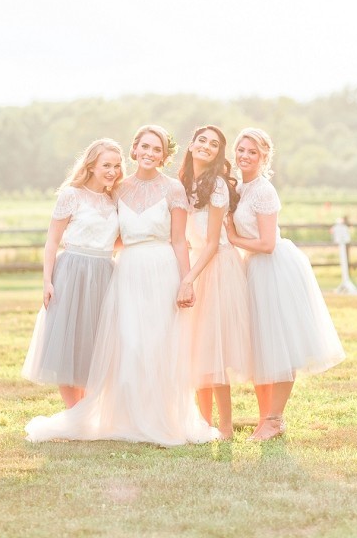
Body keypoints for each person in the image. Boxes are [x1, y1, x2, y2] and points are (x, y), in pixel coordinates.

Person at [25, 125, 218, 446]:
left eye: (156, 149)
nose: (149, 153)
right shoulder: (117, 189)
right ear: (134, 149)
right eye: (145, 146)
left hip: (162, 269)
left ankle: (162, 417)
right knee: (128, 344)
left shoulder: (172, 190)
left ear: (165, 155)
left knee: (159, 344)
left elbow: (180, 242)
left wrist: (187, 281)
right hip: (127, 272)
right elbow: (107, 232)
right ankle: (127, 418)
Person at [226, 127, 346, 441]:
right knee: (261, 346)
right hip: (252, 270)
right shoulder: (239, 186)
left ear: (264, 157)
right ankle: (265, 419)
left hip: (274, 268)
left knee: (279, 345)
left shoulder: (265, 191)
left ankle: (275, 419)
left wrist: (231, 238)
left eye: (253, 152)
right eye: (241, 150)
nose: (245, 156)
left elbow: (266, 243)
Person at [22, 138, 124, 407]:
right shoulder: (71, 195)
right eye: (106, 165)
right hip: (71, 271)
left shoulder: (114, 198)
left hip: (104, 273)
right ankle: (73, 411)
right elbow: (52, 241)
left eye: (116, 165)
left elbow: (119, 238)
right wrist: (47, 281)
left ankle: (88, 411)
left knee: (96, 344)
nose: (112, 171)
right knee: (69, 342)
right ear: (91, 165)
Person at [176, 125, 252, 440]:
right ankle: (202, 423)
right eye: (202, 140)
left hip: (217, 264)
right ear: (191, 145)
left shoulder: (217, 185)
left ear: (218, 152)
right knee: (196, 348)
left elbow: (210, 242)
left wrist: (189, 278)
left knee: (214, 346)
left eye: (214, 143)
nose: (207, 146)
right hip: (193, 265)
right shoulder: (180, 185)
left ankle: (225, 427)